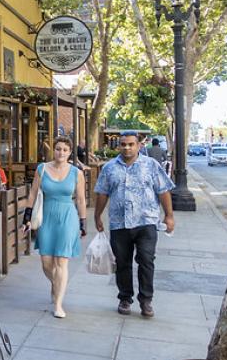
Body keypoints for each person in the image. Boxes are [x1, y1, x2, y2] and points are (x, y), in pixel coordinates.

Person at [94, 130, 175, 319]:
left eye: (131, 144)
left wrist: (169, 216)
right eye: (123, 144)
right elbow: (102, 193)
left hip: (146, 222)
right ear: (119, 146)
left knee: (146, 261)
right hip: (119, 223)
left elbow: (163, 191)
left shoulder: (151, 166)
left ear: (139, 145)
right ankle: (125, 298)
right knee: (122, 263)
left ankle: (146, 300)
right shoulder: (109, 168)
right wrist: (97, 216)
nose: (127, 147)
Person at [21, 136, 87, 319]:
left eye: (65, 150)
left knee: (61, 261)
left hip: (67, 216)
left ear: (70, 153)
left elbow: (81, 199)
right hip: (47, 216)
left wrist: (83, 222)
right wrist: (26, 217)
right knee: (46, 261)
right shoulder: (42, 169)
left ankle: (58, 303)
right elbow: (33, 194)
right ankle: (57, 283)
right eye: (58, 149)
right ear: (54, 150)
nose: (61, 153)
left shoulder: (76, 173)